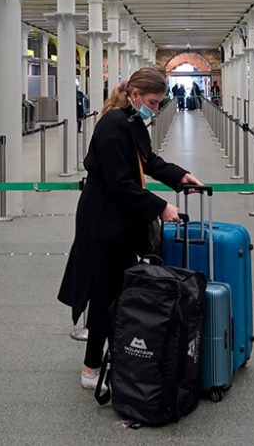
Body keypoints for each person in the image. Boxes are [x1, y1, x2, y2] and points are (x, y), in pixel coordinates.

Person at [57, 67, 205, 392]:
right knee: (104, 292)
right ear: (135, 95)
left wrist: (180, 177)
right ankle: (91, 366)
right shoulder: (112, 125)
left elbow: (148, 160)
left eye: (158, 103)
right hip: (103, 219)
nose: (155, 108)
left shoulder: (132, 121)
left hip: (120, 216)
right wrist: (160, 207)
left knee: (118, 289)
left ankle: (119, 356)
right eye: (152, 102)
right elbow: (119, 183)